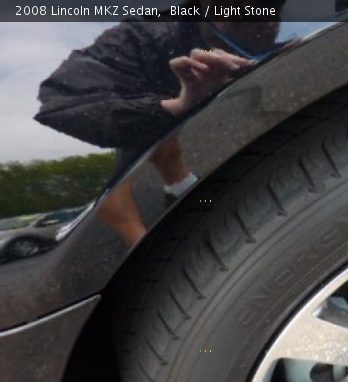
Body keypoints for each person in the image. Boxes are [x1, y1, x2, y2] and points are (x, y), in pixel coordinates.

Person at [34, 1, 285, 245]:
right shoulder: (151, 34)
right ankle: (142, 238)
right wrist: (172, 108)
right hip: (191, 193)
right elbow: (62, 100)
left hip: (248, 180)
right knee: (187, 187)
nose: (266, 18)